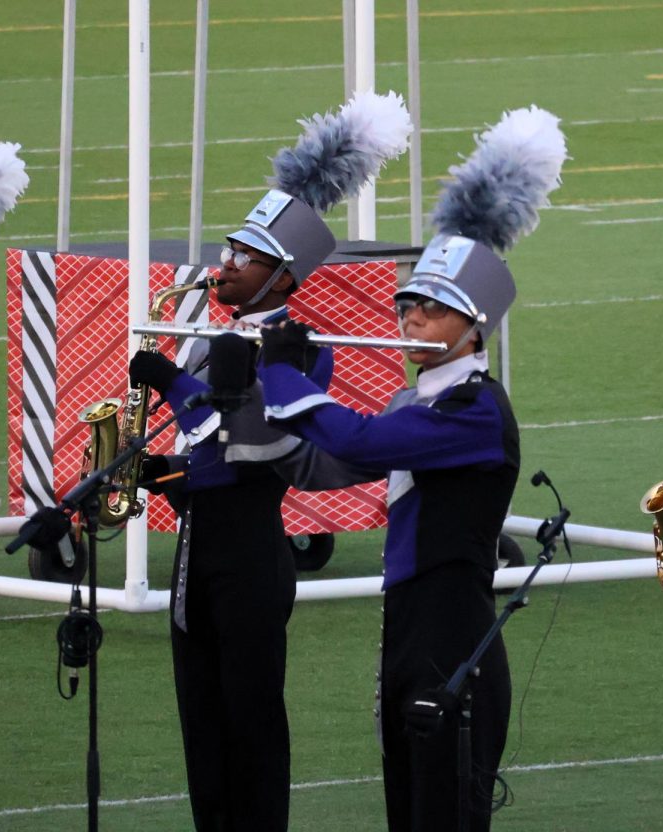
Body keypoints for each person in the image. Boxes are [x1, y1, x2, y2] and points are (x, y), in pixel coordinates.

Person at [260, 106, 565, 831]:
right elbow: (322, 463)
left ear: (474, 327)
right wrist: (293, 376)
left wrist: (283, 380)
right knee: (407, 805)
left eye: (431, 311)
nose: (410, 323)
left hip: (450, 627)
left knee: (444, 810)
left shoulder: (473, 410)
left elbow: (363, 446)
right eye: (407, 308)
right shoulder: (417, 398)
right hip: (407, 620)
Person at [126, 92, 412, 831]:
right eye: (228, 252)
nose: (223, 266)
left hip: (252, 548)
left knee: (252, 724)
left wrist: (176, 385)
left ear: (283, 278)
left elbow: (254, 440)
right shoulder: (203, 332)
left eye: (243, 258)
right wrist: (162, 471)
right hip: (198, 544)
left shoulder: (301, 349)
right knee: (201, 724)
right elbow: (205, 446)